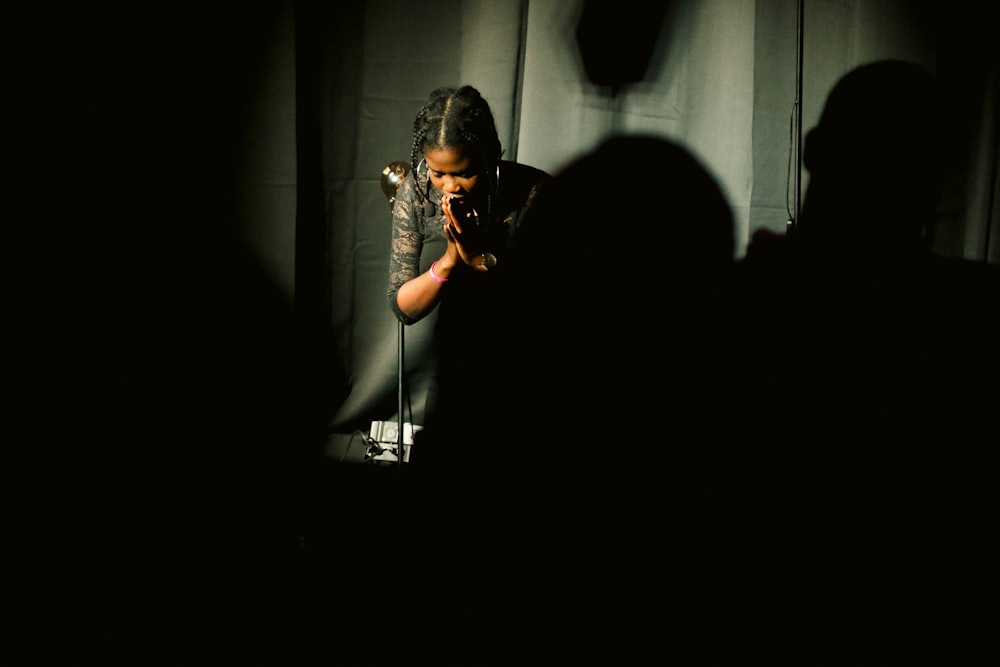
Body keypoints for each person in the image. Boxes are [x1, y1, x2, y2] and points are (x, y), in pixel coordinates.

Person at [386, 85, 551, 467]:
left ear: (489, 157)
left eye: (464, 173)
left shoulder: (534, 192)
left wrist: (477, 253)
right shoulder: (416, 191)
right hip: (458, 350)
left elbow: (548, 298)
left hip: (527, 353)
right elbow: (403, 308)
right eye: (438, 173)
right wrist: (449, 259)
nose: (449, 186)